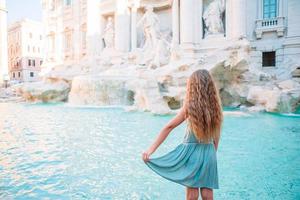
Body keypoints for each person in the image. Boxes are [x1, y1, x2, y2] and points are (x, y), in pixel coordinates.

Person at [142, 69, 223, 200]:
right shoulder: (216, 108)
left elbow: (169, 127)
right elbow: (217, 134)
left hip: (191, 153)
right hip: (209, 152)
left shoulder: (190, 107)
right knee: (208, 192)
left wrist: (151, 150)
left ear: (193, 87)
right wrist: (213, 152)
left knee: (192, 194)